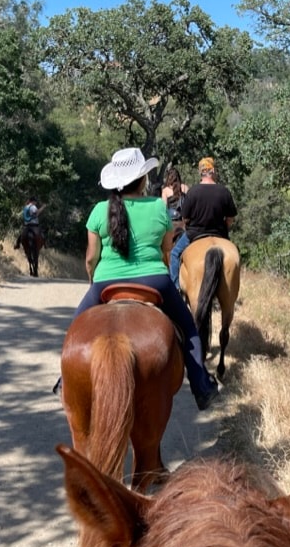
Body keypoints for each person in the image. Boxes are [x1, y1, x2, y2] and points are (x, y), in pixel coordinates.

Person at [55, 148, 220, 410]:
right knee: (188, 329)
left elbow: (90, 258)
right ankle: (201, 386)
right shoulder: (157, 207)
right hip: (155, 281)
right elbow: (167, 250)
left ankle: (65, 381)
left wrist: (94, 281)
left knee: (75, 330)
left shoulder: (100, 210)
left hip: (106, 282)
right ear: (143, 179)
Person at [170, 156, 237, 287]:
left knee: (174, 254)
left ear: (201, 172)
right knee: (234, 254)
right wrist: (223, 228)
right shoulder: (224, 191)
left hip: (194, 234)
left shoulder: (193, 192)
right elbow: (230, 219)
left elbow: (185, 219)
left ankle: (176, 288)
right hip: (220, 234)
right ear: (213, 171)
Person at [17, 197, 45, 276]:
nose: (36, 203)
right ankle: (45, 243)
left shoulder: (25, 207)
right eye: (35, 202)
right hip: (34, 225)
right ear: (33, 201)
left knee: (21, 235)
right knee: (42, 235)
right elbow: (36, 214)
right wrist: (42, 207)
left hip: (27, 226)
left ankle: (17, 244)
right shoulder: (33, 207)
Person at [161, 167, 189, 243]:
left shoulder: (165, 190)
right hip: (184, 221)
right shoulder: (185, 188)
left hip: (171, 221)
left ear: (169, 178)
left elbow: (164, 209)